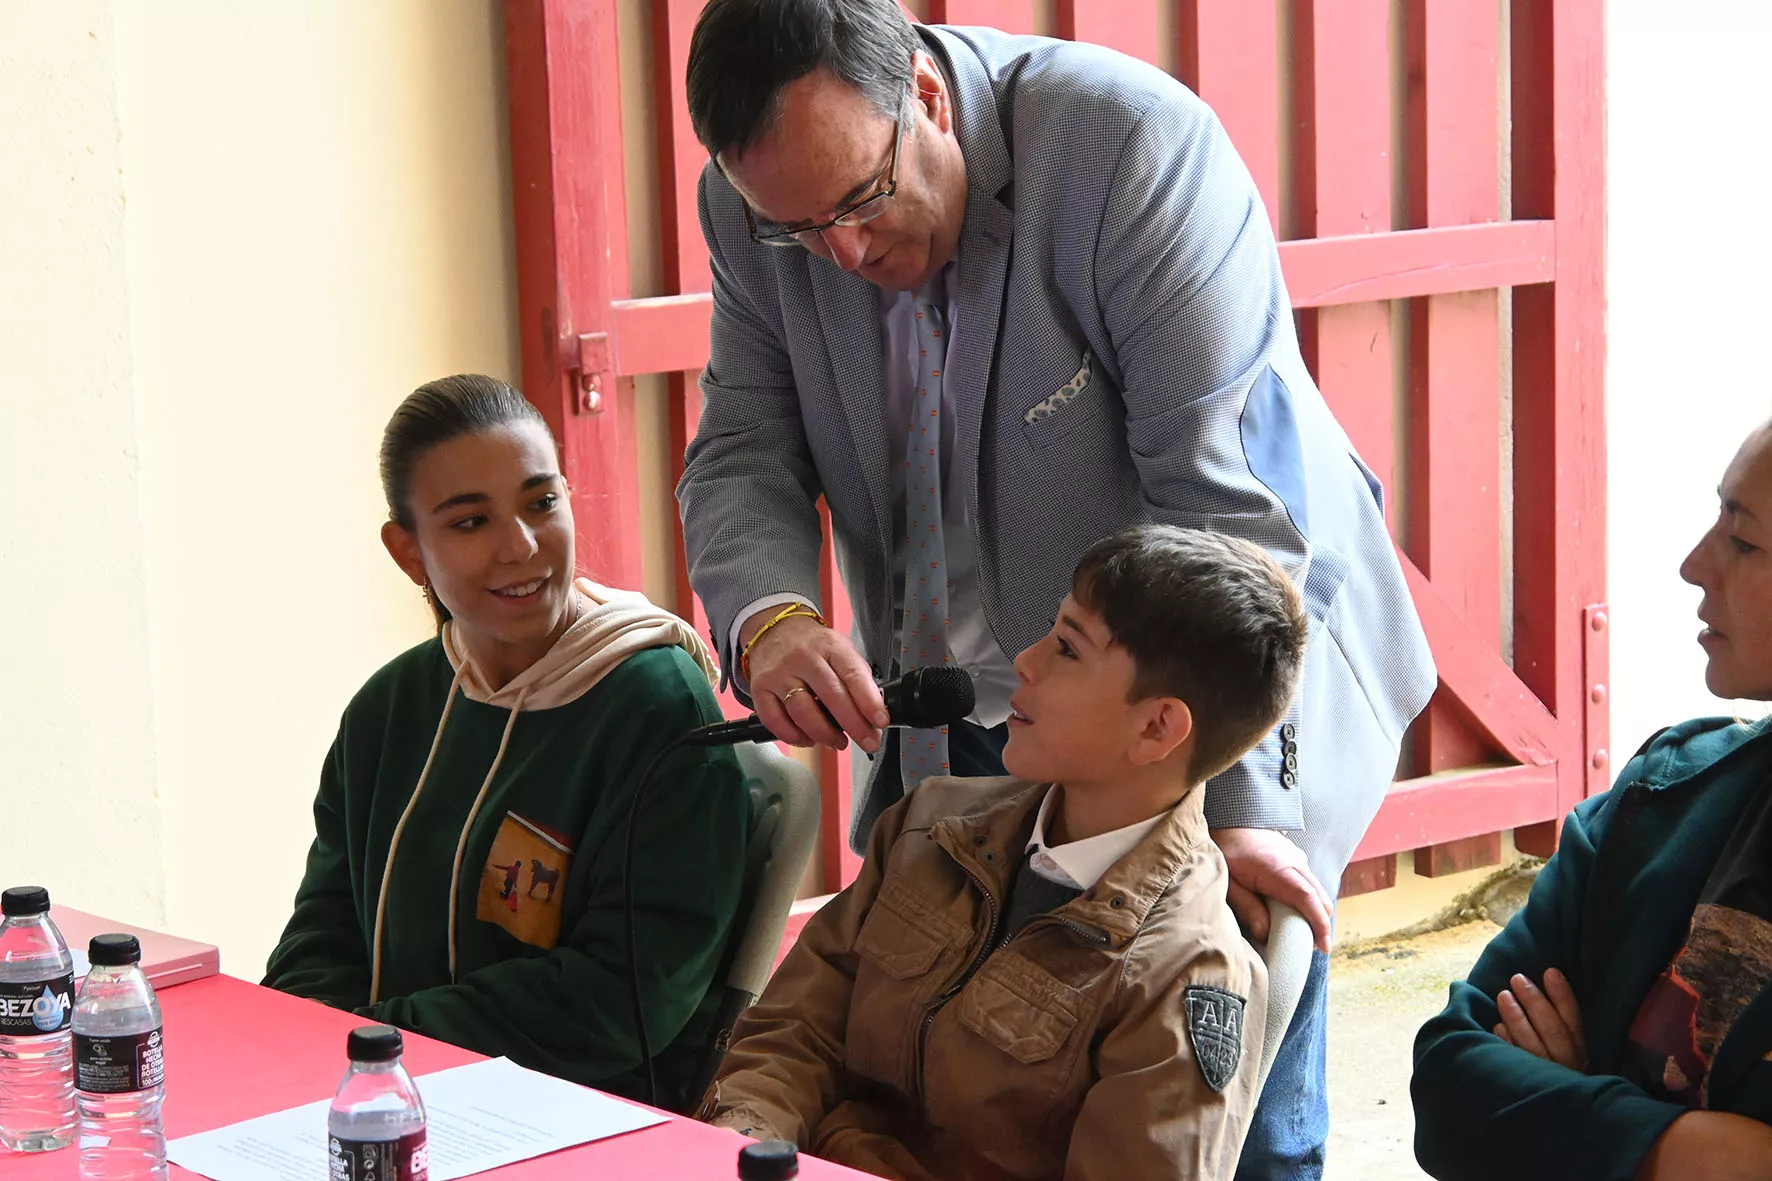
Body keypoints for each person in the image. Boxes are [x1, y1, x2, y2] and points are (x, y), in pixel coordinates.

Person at [676, 2, 1437, 1172]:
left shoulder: (1129, 151)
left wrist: (1227, 807)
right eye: (797, 230)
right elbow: (743, 446)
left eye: (859, 202)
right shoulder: (754, 208)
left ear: (924, 98)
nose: (841, 256)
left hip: (1185, 706)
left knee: (1237, 1119)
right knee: (954, 1086)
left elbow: (1234, 518)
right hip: (965, 722)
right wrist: (773, 618)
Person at [702, 525, 1311, 1180]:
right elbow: (792, 1034)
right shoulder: (928, 824)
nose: (1026, 659)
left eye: (1069, 649)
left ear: (1157, 726)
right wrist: (745, 1143)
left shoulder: (1185, 971)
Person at [262, 374, 751, 1109]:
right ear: (409, 552)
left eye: (541, 503)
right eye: (469, 522)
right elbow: (323, 935)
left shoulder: (655, 708)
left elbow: (623, 999)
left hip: (578, 1118)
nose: (520, 546)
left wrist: (376, 1044)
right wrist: (311, 1049)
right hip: (385, 1099)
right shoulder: (389, 709)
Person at [1412, 420, 1772, 1180]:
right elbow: (1449, 1077)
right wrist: (1685, 1149)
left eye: (1744, 544)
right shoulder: (1664, 794)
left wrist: (1571, 1114)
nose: (1693, 565)